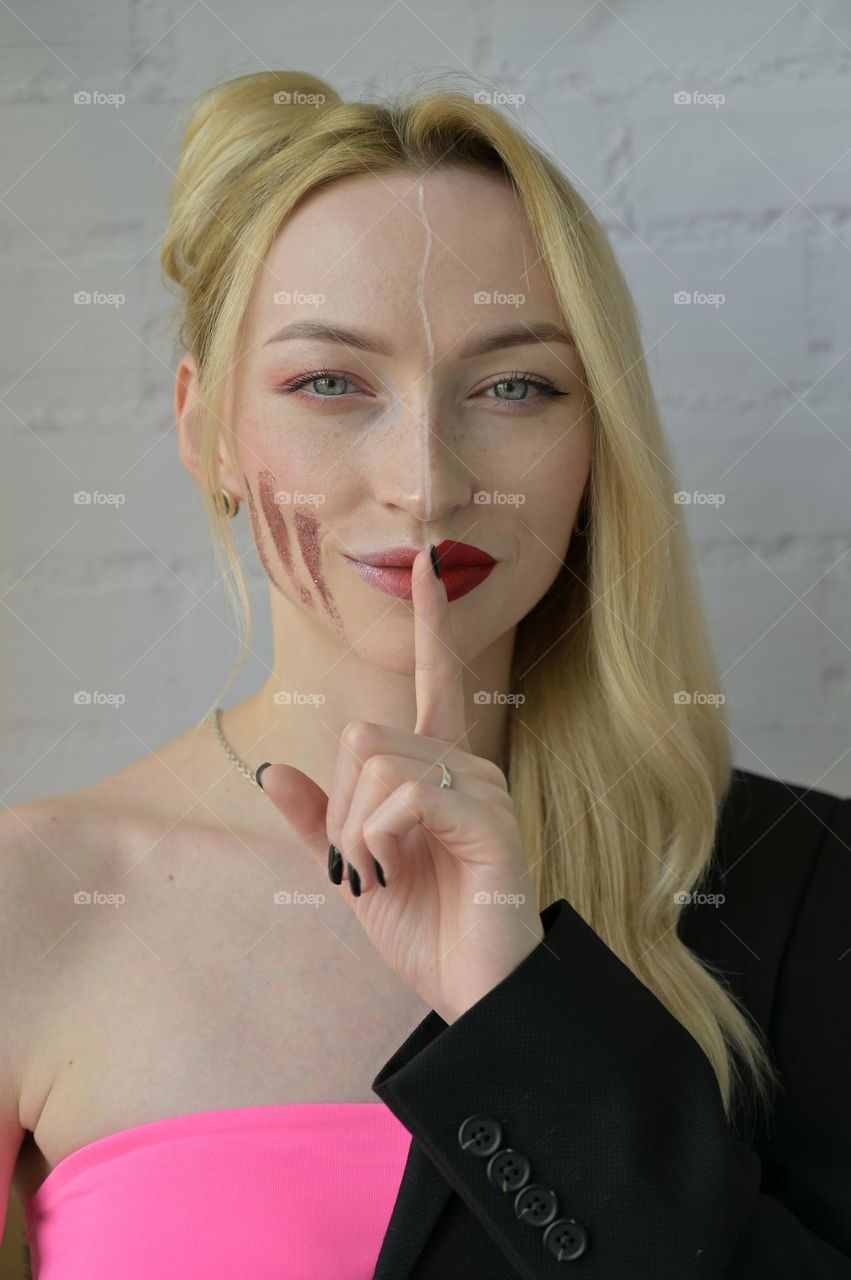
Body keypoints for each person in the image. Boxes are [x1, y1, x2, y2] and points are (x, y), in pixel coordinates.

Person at [2, 68, 849, 1279]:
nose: (426, 480)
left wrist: (522, 1012)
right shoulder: (33, 898)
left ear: (595, 436)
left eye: (514, 386)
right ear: (207, 431)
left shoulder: (808, 895)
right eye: (329, 383)